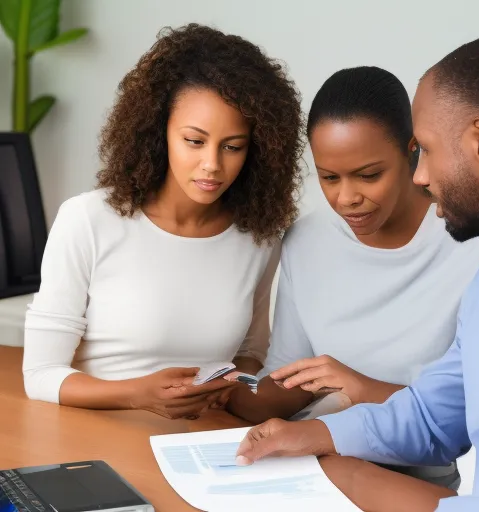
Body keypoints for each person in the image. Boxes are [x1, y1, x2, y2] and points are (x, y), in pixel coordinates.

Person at [235, 36, 479, 512]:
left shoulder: (475, 261)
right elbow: (431, 418)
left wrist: (348, 468)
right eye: (329, 177)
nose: (420, 175)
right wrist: (309, 437)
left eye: (424, 150)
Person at [22, 23, 304, 421]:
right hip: (93, 438)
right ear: (160, 132)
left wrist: (242, 388)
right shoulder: (88, 220)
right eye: (194, 140)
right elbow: (40, 375)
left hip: (198, 448)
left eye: (233, 147)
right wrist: (137, 395)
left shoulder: (257, 239)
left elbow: (251, 356)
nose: (212, 164)